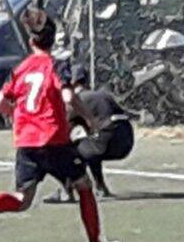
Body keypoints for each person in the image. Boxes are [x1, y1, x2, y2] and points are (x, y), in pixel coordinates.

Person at [0, 10, 123, 242]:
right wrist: (89, 119)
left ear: (30, 41)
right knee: (84, 186)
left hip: (26, 141)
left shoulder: (21, 68)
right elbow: (68, 97)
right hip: (54, 140)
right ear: (52, 40)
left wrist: (17, 113)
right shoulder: (56, 65)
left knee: (22, 199)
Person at [44, 64, 134, 203]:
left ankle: (66, 191)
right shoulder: (103, 95)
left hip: (107, 140)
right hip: (126, 142)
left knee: (69, 151)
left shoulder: (78, 100)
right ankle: (101, 187)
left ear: (72, 82)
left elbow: (63, 129)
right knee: (89, 147)